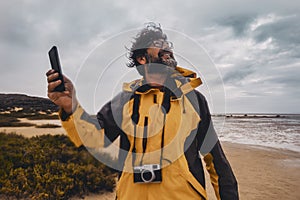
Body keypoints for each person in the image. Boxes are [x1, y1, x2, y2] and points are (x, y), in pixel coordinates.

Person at [46, 23, 238, 200]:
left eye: (167, 44)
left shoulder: (193, 99)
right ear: (142, 58)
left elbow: (216, 163)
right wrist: (71, 107)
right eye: (157, 44)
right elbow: (95, 138)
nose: (166, 47)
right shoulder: (124, 101)